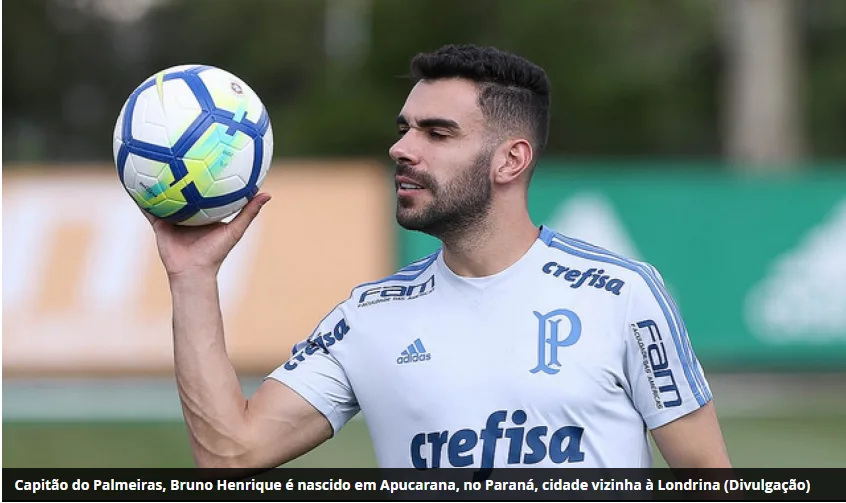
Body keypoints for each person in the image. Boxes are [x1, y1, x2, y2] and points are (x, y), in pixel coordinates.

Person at [145, 44, 731, 469]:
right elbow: (230, 455)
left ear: (511, 160)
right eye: (405, 129)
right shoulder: (369, 317)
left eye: (437, 133)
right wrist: (193, 277)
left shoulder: (620, 293)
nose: (401, 148)